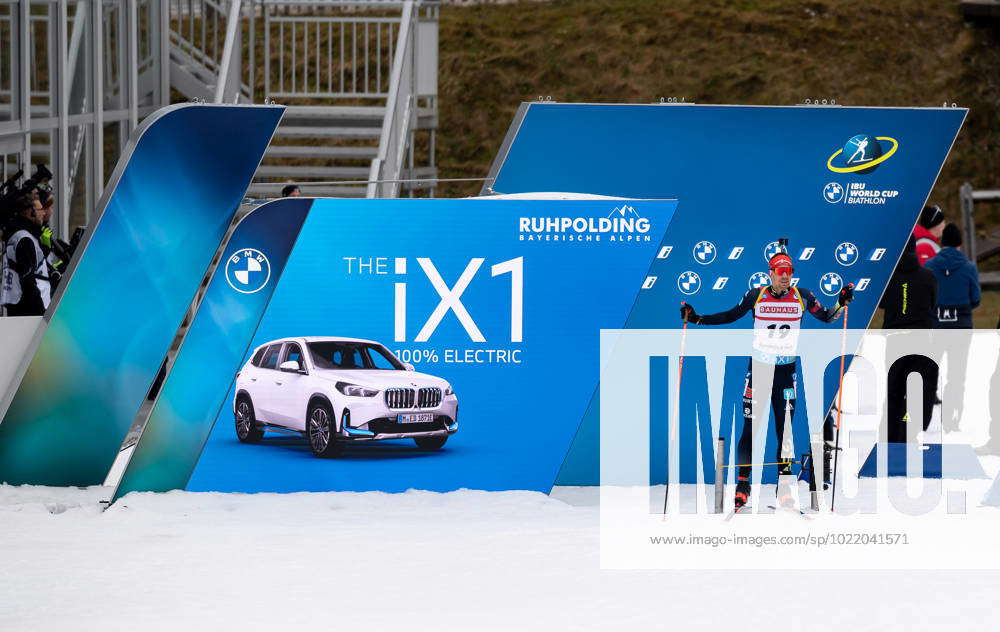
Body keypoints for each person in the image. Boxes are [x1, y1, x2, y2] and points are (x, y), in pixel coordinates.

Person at [679, 241, 854, 509]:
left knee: (784, 431)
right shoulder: (756, 295)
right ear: (770, 273)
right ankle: (743, 485)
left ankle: (784, 486)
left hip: (786, 373)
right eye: (780, 271)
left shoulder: (803, 296)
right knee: (750, 428)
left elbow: (829, 317)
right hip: (759, 371)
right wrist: (698, 318)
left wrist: (841, 303)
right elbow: (730, 315)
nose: (785, 276)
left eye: (789, 271)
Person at [879, 236, 939, 442]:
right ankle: (911, 432)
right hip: (921, 340)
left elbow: (883, 303)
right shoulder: (929, 276)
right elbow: (932, 301)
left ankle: (892, 439)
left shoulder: (889, 277)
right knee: (920, 389)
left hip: (895, 339)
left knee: (894, 391)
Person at [924, 224, 979, 431]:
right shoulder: (969, 267)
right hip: (961, 327)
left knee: (930, 369)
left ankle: (925, 417)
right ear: (960, 244)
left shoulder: (929, 266)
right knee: (957, 374)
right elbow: (976, 299)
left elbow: (926, 298)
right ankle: (951, 420)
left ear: (941, 242)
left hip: (935, 325)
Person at [1, 195, 52, 316]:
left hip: (18, 303)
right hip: (30, 309)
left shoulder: (18, 235)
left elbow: (30, 264)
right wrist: (40, 310)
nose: (44, 213)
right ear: (31, 212)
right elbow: (27, 278)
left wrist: (45, 248)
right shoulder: (25, 239)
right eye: (40, 210)